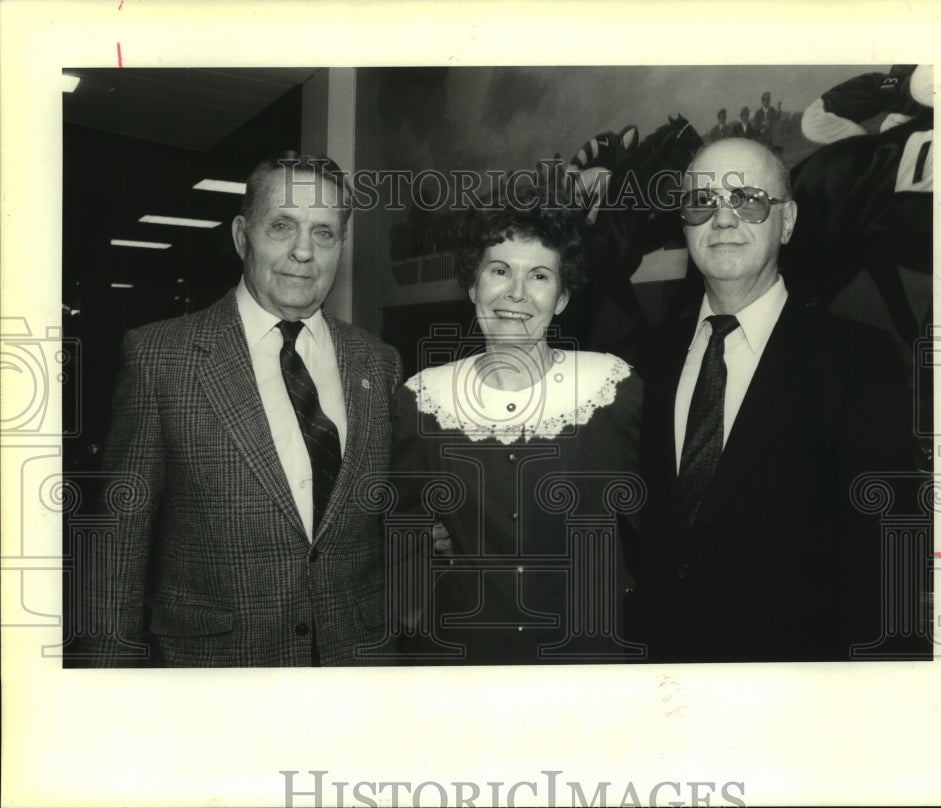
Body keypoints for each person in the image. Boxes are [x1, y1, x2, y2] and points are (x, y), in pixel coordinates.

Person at [77, 152, 402, 667]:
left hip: (357, 668)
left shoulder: (379, 363)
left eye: (324, 233)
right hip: (213, 673)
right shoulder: (160, 358)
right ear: (241, 236)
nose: (303, 251)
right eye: (281, 226)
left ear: (341, 245)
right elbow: (118, 546)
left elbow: (386, 523)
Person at [635, 138, 927, 662]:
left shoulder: (859, 359)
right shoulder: (643, 361)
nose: (722, 220)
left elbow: (886, 558)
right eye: (702, 202)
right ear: (685, 225)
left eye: (746, 199)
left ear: (787, 221)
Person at [390, 198, 645, 665]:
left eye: (540, 276)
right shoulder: (422, 399)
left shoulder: (613, 388)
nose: (517, 294)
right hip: (462, 654)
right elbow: (395, 524)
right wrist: (420, 577)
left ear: (563, 298)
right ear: (472, 285)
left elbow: (661, 520)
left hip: (586, 654)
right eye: (500, 271)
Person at [801, 64, 933, 144]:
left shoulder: (886, 82)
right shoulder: (890, 87)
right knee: (865, 147)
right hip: (821, 117)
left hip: (819, 114)